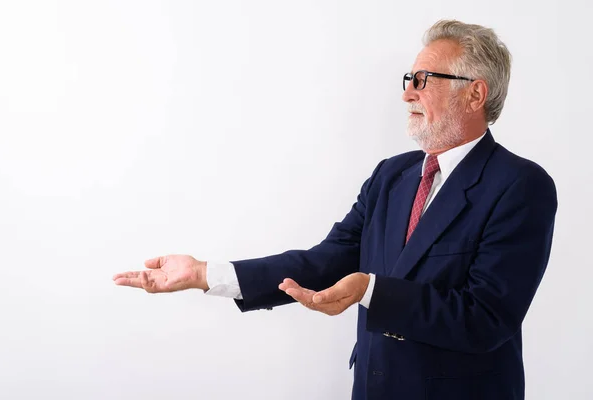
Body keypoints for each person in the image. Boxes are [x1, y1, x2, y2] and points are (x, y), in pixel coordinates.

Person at [113, 19, 557, 400]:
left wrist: (370, 289)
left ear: (475, 94)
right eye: (409, 80)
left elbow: (484, 317)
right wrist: (205, 274)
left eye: (423, 80)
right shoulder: (392, 176)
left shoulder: (520, 186)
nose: (407, 95)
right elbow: (326, 261)